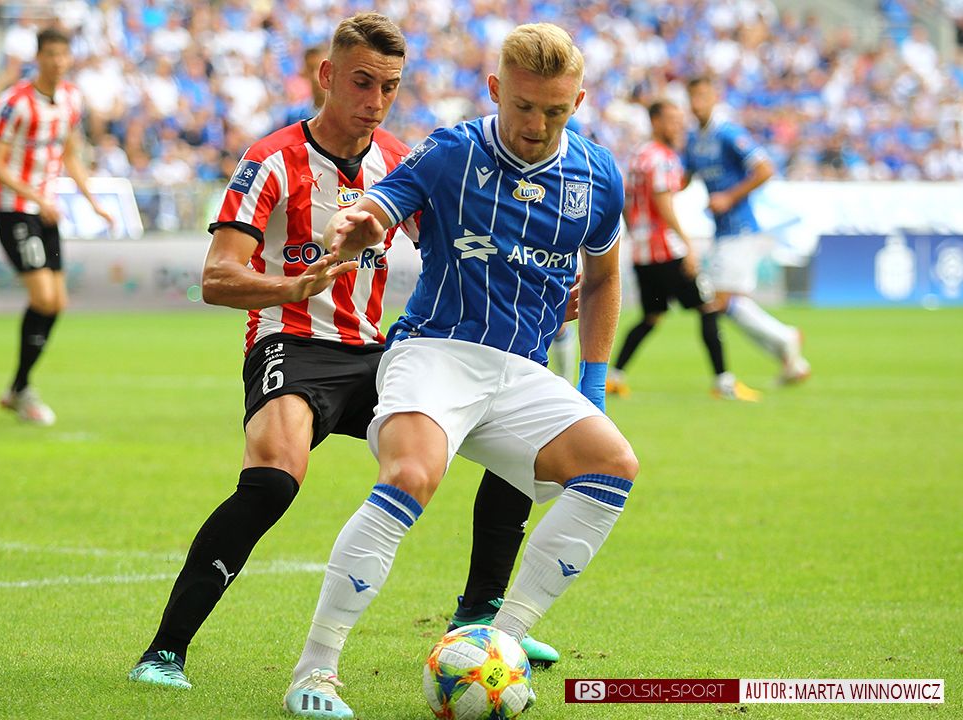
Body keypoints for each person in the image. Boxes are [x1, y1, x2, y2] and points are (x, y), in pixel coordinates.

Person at [127, 13, 556, 694]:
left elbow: (459, 247)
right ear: (327, 76)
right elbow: (216, 277)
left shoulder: (401, 160)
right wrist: (290, 286)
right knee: (273, 479)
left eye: (389, 87)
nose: (375, 100)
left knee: (514, 442)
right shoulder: (272, 159)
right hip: (290, 343)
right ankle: (164, 651)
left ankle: (481, 616)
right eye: (361, 82)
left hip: (378, 354)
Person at [284, 23, 638, 719]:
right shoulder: (453, 151)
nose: (536, 125)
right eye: (524, 106)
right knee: (411, 475)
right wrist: (358, 226)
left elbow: (602, 280)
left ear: (579, 102)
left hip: (522, 371)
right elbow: (380, 207)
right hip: (437, 352)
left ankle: (498, 641)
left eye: (555, 111)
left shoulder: (598, 176)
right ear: (496, 90)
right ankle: (315, 669)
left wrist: (592, 386)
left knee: (613, 467)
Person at [0, 28, 113, 425]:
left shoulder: (71, 99)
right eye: (51, 54)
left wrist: (93, 201)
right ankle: (21, 388)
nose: (58, 62)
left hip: (46, 212)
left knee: (58, 302)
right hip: (15, 210)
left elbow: (70, 154)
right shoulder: (15, 103)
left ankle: (17, 389)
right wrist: (38, 198)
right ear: (38, 57)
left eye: (63, 54)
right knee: (43, 297)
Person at [608, 99, 760, 401]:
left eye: (681, 121)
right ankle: (724, 382)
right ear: (655, 122)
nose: (679, 126)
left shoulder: (638, 155)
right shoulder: (662, 157)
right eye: (672, 121)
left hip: (642, 253)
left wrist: (637, 231)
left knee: (651, 316)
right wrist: (687, 244)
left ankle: (614, 377)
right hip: (666, 251)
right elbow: (663, 202)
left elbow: (627, 199)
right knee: (708, 307)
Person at [682, 77, 810, 384]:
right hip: (722, 231)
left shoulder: (728, 134)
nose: (697, 103)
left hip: (740, 228)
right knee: (724, 303)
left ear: (714, 97)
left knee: (718, 301)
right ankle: (790, 357)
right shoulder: (693, 140)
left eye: (702, 96)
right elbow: (683, 179)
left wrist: (729, 197)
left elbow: (765, 169)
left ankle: (786, 338)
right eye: (692, 97)